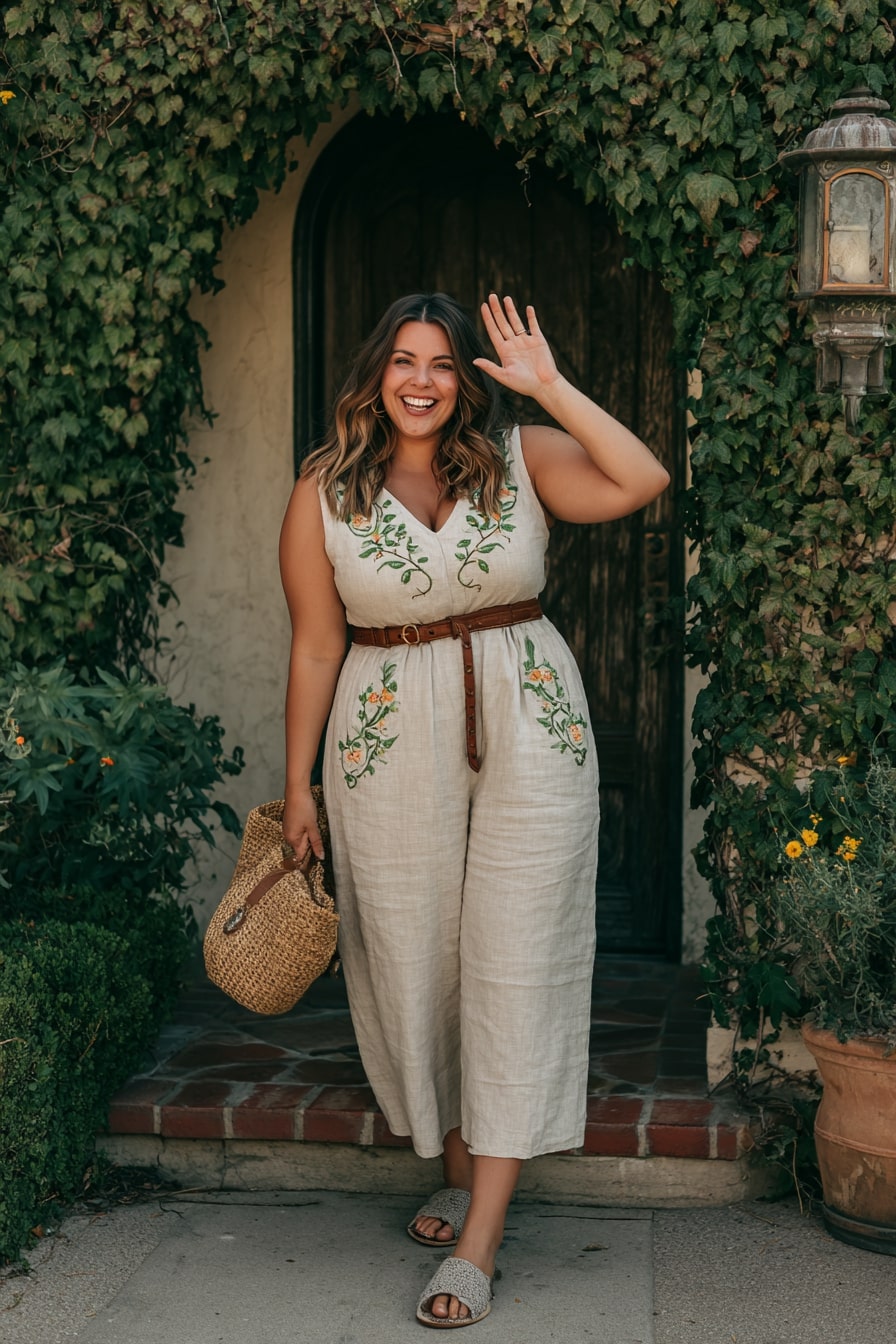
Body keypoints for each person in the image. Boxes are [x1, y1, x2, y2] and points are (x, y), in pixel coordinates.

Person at [279, 292, 669, 1328]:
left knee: (512, 956)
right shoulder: (322, 490)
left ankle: (482, 1238)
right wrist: (296, 784)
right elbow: (316, 644)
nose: (421, 380)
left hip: (531, 724)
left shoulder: (519, 455)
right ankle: (455, 1171)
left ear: (465, 380)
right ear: (374, 373)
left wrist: (548, 388)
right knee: (413, 960)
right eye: (403, 360)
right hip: (382, 732)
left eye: (443, 363)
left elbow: (641, 477)